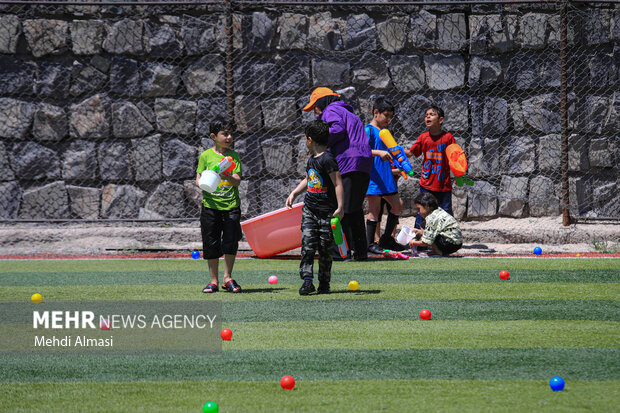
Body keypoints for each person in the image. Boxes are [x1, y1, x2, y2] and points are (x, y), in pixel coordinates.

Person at [303, 87, 372, 261]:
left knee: (341, 209)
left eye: (315, 107)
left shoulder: (331, 110)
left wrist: (318, 142)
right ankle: (361, 252)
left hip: (348, 161)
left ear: (323, 102)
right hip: (362, 162)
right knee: (354, 209)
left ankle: (341, 253)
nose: (316, 112)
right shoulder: (347, 112)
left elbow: (337, 129)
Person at [286, 120, 344, 295]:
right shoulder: (312, 159)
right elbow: (309, 179)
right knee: (308, 245)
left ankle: (324, 283)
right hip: (310, 210)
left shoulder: (328, 159)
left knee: (325, 248)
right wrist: (295, 193)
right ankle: (307, 280)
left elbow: (338, 183)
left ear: (309, 139)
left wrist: (340, 207)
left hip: (326, 212)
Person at [195, 121, 243, 293]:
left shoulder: (233, 157)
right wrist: (207, 183)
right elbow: (198, 180)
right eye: (225, 134)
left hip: (231, 206)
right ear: (213, 137)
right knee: (211, 242)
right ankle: (213, 281)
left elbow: (237, 181)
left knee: (230, 242)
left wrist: (227, 176)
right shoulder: (206, 156)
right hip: (210, 207)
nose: (229, 137)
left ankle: (227, 278)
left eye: (230, 134)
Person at [364, 97, 406, 254]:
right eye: (386, 115)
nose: (389, 119)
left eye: (391, 116)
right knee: (374, 209)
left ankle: (387, 239)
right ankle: (369, 244)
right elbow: (361, 151)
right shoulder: (368, 130)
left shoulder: (384, 132)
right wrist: (379, 152)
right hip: (374, 176)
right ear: (376, 113)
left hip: (386, 176)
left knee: (397, 205)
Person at [405, 105, 455, 230]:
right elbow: (411, 153)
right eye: (426, 115)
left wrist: (460, 173)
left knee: (445, 213)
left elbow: (455, 158)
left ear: (441, 120)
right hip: (426, 183)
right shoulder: (423, 137)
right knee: (423, 212)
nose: (428, 116)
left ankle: (444, 239)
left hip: (443, 184)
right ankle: (418, 239)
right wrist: (397, 151)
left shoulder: (448, 138)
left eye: (432, 114)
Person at [409, 192, 462, 256]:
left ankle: (438, 251)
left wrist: (413, 242)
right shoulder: (439, 210)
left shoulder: (431, 218)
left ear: (427, 206)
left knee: (424, 226)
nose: (418, 213)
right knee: (425, 225)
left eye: (419, 209)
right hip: (457, 243)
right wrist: (419, 232)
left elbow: (426, 242)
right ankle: (441, 251)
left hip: (449, 244)